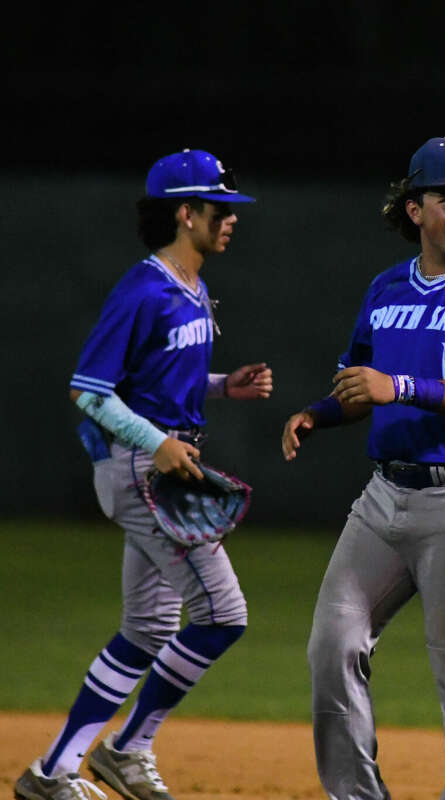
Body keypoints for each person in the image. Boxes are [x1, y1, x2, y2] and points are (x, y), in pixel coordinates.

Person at [282, 136, 445, 800]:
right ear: (416, 208)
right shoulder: (386, 286)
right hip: (383, 495)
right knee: (331, 646)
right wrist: (318, 412)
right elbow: (359, 383)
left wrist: (396, 385)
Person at [15, 149, 271, 800]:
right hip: (142, 469)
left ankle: (58, 769)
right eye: (221, 209)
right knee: (223, 613)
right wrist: (157, 443)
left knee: (149, 629)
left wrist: (222, 387)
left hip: (162, 460)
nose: (231, 220)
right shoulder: (144, 289)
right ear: (185, 214)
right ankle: (127, 748)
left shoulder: (191, 288)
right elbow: (90, 391)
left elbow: (153, 382)